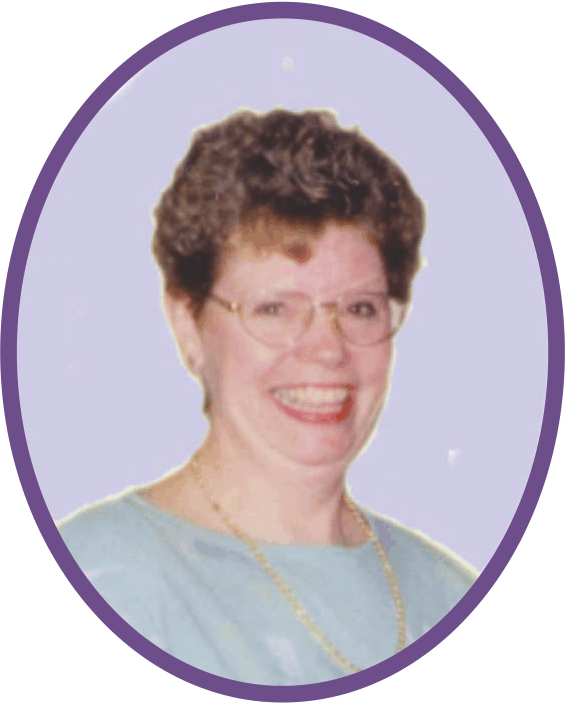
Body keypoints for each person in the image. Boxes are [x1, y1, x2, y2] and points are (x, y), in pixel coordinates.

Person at [57, 107, 478, 685]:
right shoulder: (101, 579)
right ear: (188, 325)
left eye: (360, 308)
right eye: (275, 309)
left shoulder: (447, 593)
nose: (328, 350)